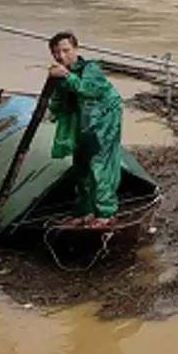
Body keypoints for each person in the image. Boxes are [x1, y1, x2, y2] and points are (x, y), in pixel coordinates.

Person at [46, 31, 122, 227]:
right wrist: (51, 112)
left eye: (66, 51)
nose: (61, 56)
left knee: (99, 162)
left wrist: (66, 76)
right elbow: (57, 99)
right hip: (82, 120)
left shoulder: (91, 69)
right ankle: (85, 210)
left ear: (76, 50)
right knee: (80, 163)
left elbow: (87, 90)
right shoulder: (60, 73)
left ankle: (106, 213)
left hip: (105, 118)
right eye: (56, 52)